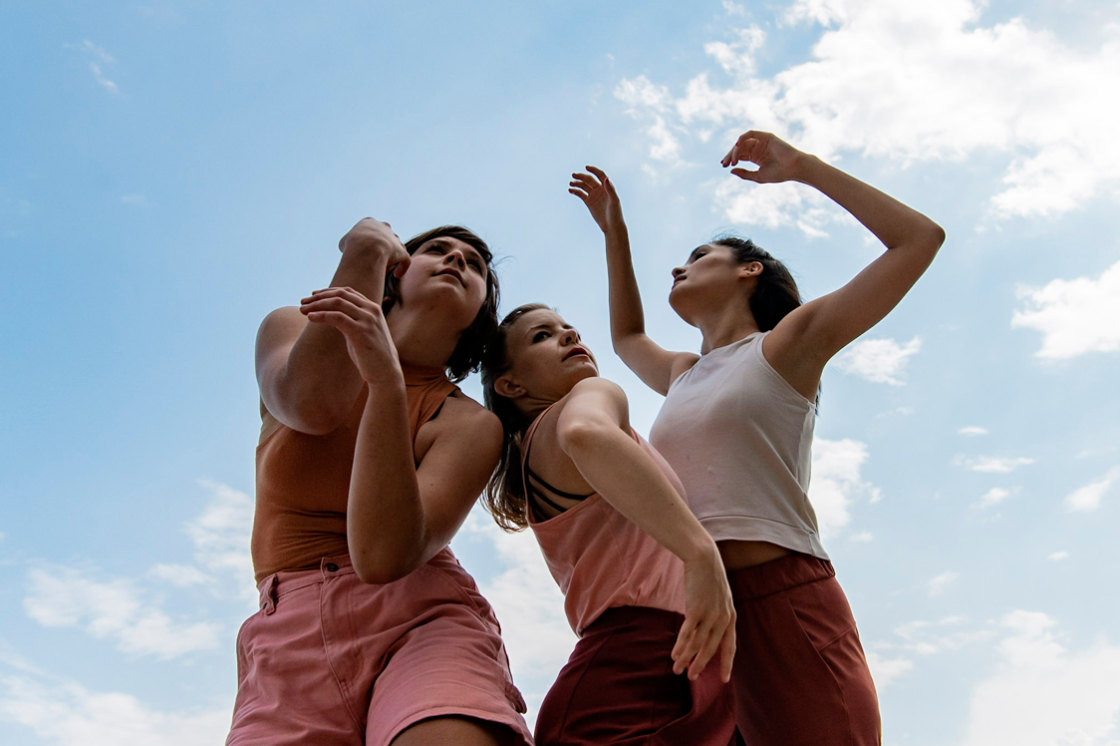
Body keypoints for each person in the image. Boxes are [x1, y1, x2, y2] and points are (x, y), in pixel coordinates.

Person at [569, 129, 945, 746]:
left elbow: (920, 240)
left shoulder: (788, 346)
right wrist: (616, 234)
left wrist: (803, 167)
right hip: (698, 611)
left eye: (698, 256)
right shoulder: (683, 373)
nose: (678, 266)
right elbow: (626, 337)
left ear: (751, 271)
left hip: (785, 603)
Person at [227, 218, 533, 746]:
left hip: (419, 618)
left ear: (482, 313)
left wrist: (388, 385)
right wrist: (364, 250)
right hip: (288, 636)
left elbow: (385, 556)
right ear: (394, 272)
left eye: (476, 265)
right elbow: (313, 404)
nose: (457, 259)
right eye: (436, 249)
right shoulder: (294, 329)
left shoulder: (471, 423)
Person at [481, 303, 739, 746]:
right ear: (510, 385)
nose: (567, 335)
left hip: (647, 674)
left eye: (568, 328)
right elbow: (586, 432)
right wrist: (701, 552)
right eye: (542, 336)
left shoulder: (536, 451)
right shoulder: (589, 398)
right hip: (636, 672)